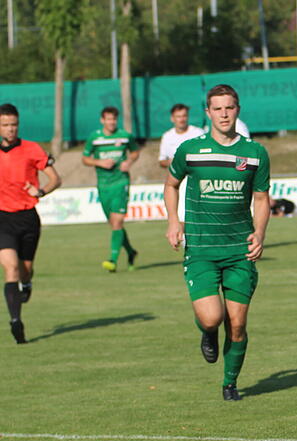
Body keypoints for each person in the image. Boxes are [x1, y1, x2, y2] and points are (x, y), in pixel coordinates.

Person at [164, 84, 270, 401]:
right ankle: (207, 332)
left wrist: (261, 233)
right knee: (213, 317)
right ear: (208, 113)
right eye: (217, 108)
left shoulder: (255, 153)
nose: (224, 114)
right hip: (201, 250)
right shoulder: (190, 150)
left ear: (238, 109)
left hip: (240, 250)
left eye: (229, 107)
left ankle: (230, 383)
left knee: (237, 325)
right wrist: (173, 221)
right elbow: (170, 185)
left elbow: (262, 198)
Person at [0, 103, 61, 344]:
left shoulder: (31, 149)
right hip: (2, 218)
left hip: (27, 218)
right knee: (11, 267)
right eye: (5, 125)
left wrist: (41, 190)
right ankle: (16, 321)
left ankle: (27, 282)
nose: (10, 129)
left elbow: (56, 178)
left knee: (25, 269)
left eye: (13, 124)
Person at [82, 106, 140, 272]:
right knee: (114, 224)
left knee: (118, 221)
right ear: (102, 120)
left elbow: (135, 152)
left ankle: (112, 260)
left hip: (120, 182)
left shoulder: (125, 136)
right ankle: (131, 252)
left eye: (114, 119)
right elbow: (85, 159)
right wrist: (99, 162)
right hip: (103, 185)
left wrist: (128, 162)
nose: (111, 122)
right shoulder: (95, 137)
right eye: (108, 119)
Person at [158, 103, 204, 169]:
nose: (182, 119)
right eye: (178, 116)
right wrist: (171, 162)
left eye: (184, 116)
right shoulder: (167, 136)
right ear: (172, 118)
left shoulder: (198, 133)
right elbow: (161, 161)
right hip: (176, 177)